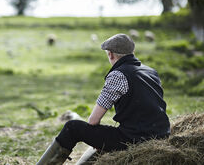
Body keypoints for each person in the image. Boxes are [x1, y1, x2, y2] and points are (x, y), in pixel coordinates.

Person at [36, 33, 170, 165]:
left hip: (134, 139)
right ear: (132, 52)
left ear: (110, 54)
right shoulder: (151, 72)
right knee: (104, 135)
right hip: (161, 135)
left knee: (72, 127)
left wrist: (97, 139)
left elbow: (93, 121)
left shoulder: (118, 75)